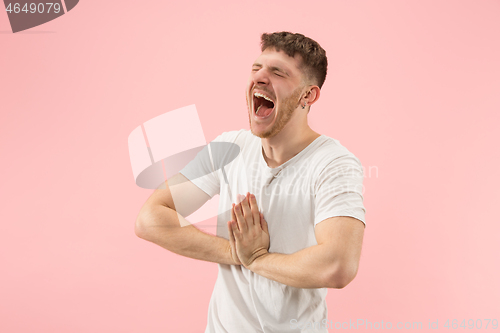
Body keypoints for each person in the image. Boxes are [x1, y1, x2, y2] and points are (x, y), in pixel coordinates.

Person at [135, 31, 366, 332]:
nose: (260, 78)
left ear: (308, 95)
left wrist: (258, 259)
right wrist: (234, 253)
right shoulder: (230, 148)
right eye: (256, 68)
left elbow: (339, 266)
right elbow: (149, 219)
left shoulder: (334, 163)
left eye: (278, 72)